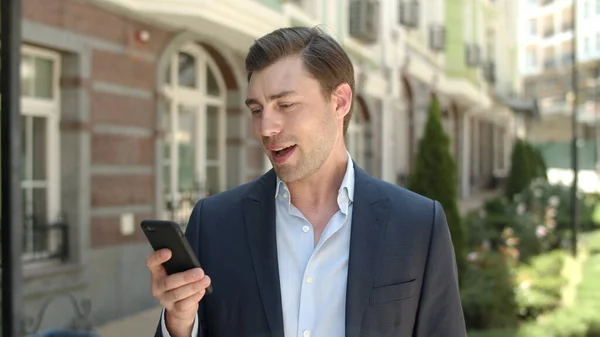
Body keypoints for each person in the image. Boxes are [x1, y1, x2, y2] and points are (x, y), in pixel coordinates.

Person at [146, 26, 466, 337]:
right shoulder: (214, 222)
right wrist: (179, 323)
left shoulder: (417, 224)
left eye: (285, 105)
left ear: (340, 101)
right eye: (257, 109)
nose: (266, 128)